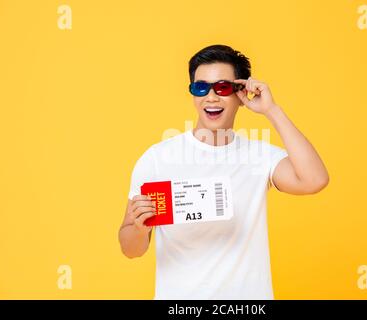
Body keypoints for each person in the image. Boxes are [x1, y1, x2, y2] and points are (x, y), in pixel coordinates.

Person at [119, 44, 329, 299]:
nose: (211, 97)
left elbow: (314, 180)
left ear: (241, 94)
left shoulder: (259, 157)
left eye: (223, 87)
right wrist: (140, 229)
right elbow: (130, 249)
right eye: (200, 87)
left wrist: (272, 111)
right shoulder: (157, 159)